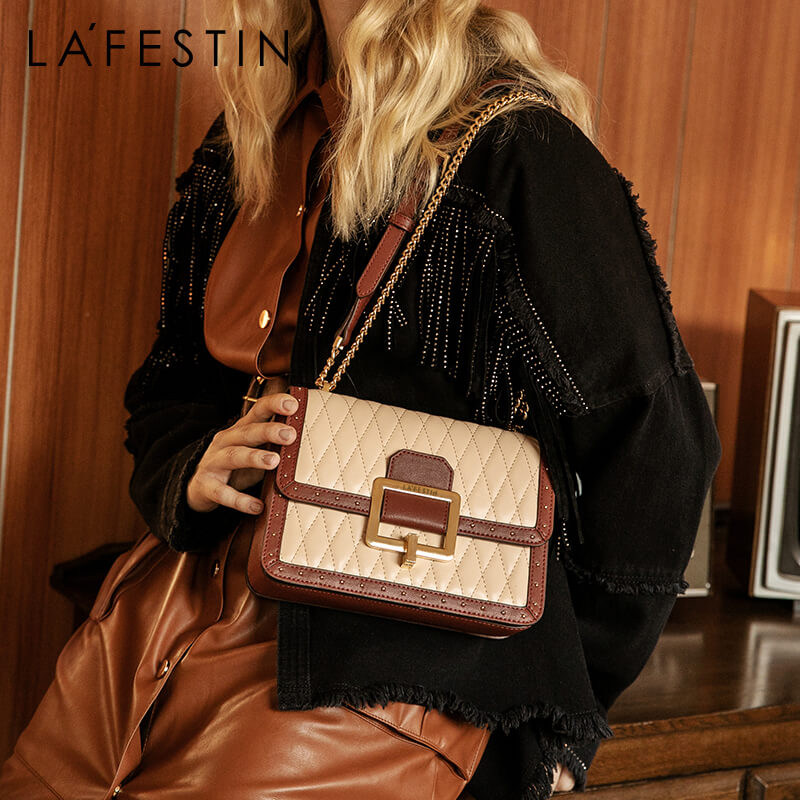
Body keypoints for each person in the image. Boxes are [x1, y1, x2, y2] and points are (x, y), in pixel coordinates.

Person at [0, 1, 722, 798]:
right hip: (164, 609)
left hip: (383, 666)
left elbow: (660, 441)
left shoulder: (518, 150)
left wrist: (561, 706)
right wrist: (192, 464)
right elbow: (173, 380)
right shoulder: (254, 134)